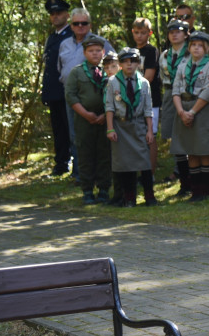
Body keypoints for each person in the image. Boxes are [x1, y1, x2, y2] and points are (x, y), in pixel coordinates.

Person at [58, 7, 115, 183]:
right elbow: (60, 69)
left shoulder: (100, 42)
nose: (80, 26)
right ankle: (80, 175)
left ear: (90, 24)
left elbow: (114, 64)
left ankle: (102, 176)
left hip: (101, 99)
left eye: (84, 23)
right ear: (71, 25)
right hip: (73, 98)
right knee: (76, 137)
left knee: (101, 138)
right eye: (76, 23)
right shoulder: (64, 43)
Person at [171, 31, 209, 202]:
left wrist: (192, 112)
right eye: (193, 45)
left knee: (204, 150)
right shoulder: (182, 65)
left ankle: (205, 191)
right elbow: (175, 89)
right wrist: (181, 112)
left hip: (201, 109)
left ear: (206, 48)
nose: (196, 48)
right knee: (191, 150)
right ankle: (195, 191)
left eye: (200, 45)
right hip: (183, 109)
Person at [105, 48, 155, 207]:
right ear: (119, 64)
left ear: (138, 64)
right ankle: (129, 198)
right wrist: (110, 128)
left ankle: (150, 197)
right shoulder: (113, 82)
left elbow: (148, 108)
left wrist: (149, 130)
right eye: (125, 61)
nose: (129, 65)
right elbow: (109, 107)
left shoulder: (144, 82)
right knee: (125, 164)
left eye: (133, 61)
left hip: (138, 124)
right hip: (121, 126)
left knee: (144, 162)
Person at [65, 34, 111, 204]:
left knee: (104, 154)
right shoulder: (76, 72)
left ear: (103, 52)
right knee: (85, 154)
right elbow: (70, 96)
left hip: (106, 119)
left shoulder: (109, 70)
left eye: (98, 50)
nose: (95, 54)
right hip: (84, 120)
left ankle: (104, 189)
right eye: (91, 51)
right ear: (84, 53)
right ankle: (87, 191)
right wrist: (86, 114)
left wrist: (105, 115)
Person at [159, 19, 191, 196]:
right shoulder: (164, 55)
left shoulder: (191, 52)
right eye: (171, 31)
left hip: (187, 95)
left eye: (178, 31)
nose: (174, 34)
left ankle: (193, 181)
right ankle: (183, 181)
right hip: (170, 94)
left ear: (186, 34)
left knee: (189, 136)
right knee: (175, 139)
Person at [42, 0, 73, 176]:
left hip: (67, 90)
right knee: (58, 130)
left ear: (67, 15)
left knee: (71, 129)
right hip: (54, 91)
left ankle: (72, 164)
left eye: (59, 13)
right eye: (52, 14)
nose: (55, 16)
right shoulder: (52, 37)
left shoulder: (72, 35)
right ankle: (61, 163)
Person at [131, 18, 161, 173]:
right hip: (132, 100)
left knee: (150, 136)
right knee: (136, 135)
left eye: (143, 33)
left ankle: (150, 172)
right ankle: (138, 169)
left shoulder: (151, 51)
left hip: (150, 100)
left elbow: (148, 76)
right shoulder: (131, 52)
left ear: (149, 33)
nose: (139, 36)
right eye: (136, 33)